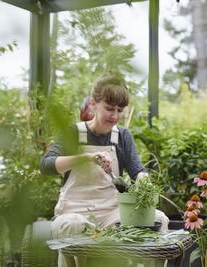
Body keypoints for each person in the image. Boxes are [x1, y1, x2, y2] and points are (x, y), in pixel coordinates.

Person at [40, 71, 169, 267]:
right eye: (109, 109)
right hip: (74, 212)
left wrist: (143, 180)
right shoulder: (74, 133)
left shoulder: (122, 136)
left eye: (120, 110)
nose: (115, 116)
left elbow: (137, 170)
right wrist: (86, 158)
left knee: (158, 219)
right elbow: (46, 165)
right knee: (73, 225)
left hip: (111, 213)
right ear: (93, 103)